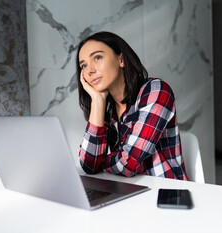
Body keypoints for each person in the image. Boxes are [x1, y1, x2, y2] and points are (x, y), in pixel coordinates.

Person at [77, 31, 188, 180]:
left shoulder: (156, 90)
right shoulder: (107, 109)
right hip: (129, 191)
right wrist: (97, 101)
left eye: (97, 57)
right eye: (83, 65)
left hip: (166, 193)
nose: (89, 70)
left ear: (121, 59)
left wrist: (102, 161)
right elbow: (89, 166)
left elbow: (128, 163)